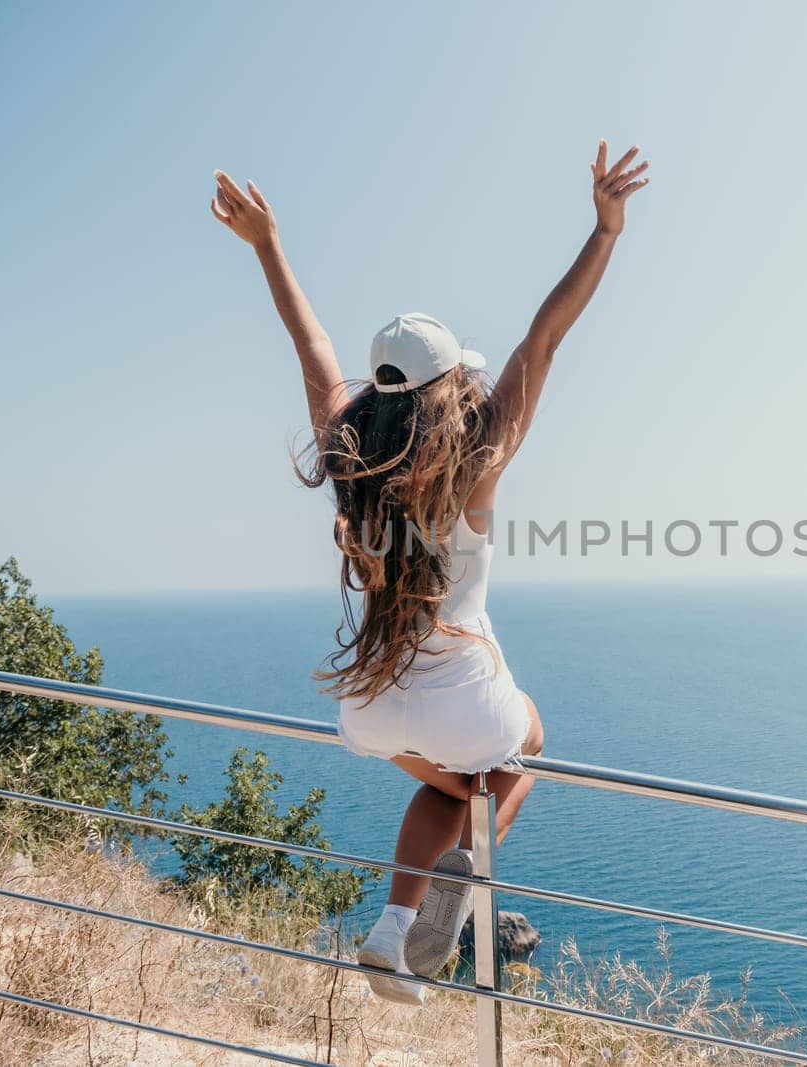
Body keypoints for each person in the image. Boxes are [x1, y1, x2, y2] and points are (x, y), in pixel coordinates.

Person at [210, 140, 649, 1005]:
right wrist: (605, 230)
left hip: (369, 708)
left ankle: (392, 926)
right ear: (455, 386)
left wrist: (267, 244)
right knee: (524, 748)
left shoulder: (348, 453)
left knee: (455, 789)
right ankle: (468, 878)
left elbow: (311, 344)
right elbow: (546, 336)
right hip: (468, 702)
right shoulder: (481, 451)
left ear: (376, 393)